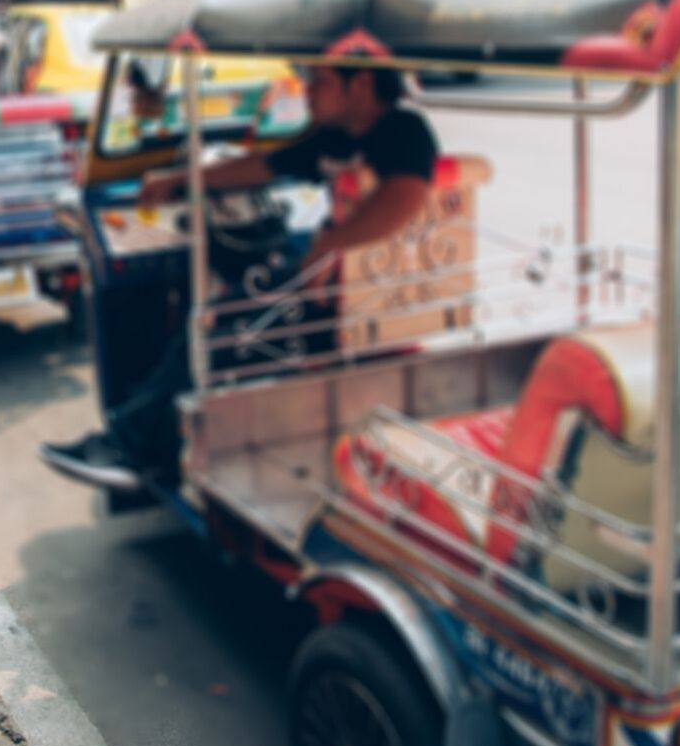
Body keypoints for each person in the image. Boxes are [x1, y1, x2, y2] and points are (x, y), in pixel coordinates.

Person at [41, 64, 438, 491]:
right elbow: (265, 167)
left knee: (214, 339)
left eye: (318, 82)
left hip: (362, 303)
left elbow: (405, 202)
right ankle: (154, 445)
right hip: (328, 289)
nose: (306, 92)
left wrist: (329, 244)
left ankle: (131, 450)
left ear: (360, 84)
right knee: (218, 316)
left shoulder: (403, 131)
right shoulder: (338, 138)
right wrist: (182, 180)